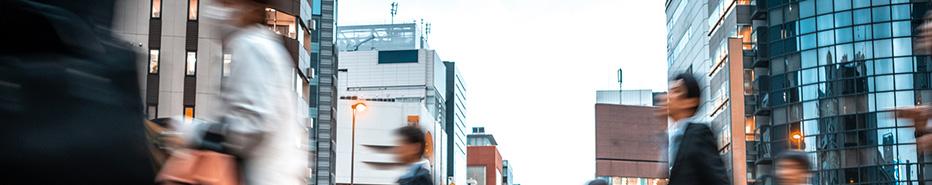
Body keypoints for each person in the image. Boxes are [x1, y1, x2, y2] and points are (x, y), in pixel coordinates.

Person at [175, 0, 307, 184]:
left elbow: (252, 126)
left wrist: (193, 131)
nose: (215, 10)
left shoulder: (251, 45)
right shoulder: (263, 45)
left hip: (259, 177)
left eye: (226, 3)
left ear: (249, 8)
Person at [656, 73, 729, 185]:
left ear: (691, 102)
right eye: (670, 91)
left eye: (676, 91)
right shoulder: (670, 140)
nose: (668, 96)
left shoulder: (700, 134)